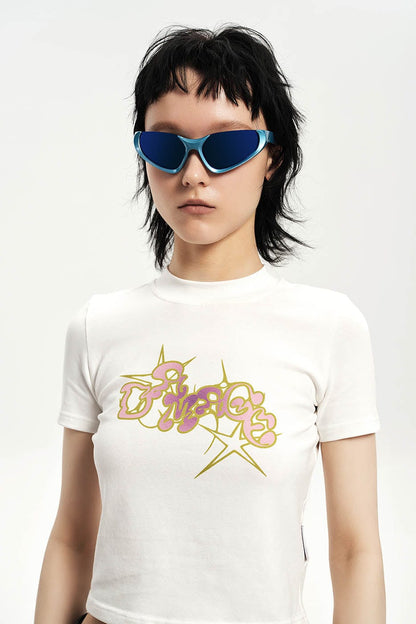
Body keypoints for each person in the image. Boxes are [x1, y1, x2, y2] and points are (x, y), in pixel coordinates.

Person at [34, 23, 386, 624]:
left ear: (272, 158)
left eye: (225, 147)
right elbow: (71, 537)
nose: (193, 172)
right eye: (167, 146)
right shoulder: (98, 327)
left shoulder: (329, 328)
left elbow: (356, 552)